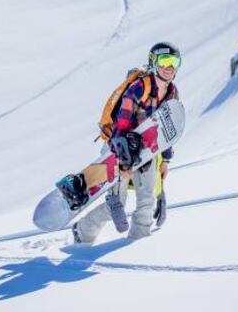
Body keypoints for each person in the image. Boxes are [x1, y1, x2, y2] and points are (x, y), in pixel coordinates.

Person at [73, 42, 181, 243]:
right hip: (119, 148)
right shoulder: (138, 88)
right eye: (164, 61)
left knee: (146, 204)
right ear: (153, 63)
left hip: (147, 152)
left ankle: (137, 248)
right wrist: (123, 164)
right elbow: (120, 127)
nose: (170, 67)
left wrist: (165, 160)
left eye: (174, 62)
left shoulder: (172, 93)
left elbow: (168, 131)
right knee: (117, 205)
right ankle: (82, 232)